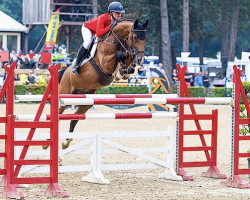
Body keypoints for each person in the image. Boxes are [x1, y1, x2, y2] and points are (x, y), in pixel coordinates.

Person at [72, 1, 125, 75]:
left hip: (98, 31)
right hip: (88, 28)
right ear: (111, 12)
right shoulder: (102, 17)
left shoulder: (119, 21)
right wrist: (110, 27)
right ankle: (76, 65)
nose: (120, 15)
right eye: (117, 13)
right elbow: (99, 33)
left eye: (120, 13)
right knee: (87, 42)